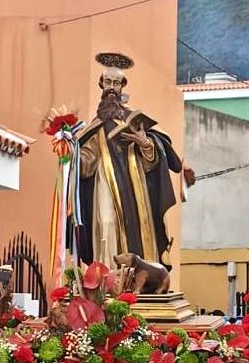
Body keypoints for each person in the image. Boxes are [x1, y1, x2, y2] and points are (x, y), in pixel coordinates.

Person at [78, 52, 183, 268]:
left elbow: (155, 162)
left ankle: (137, 278)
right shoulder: (96, 125)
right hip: (105, 185)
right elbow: (86, 162)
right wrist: (70, 154)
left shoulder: (134, 118)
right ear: (101, 84)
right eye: (107, 81)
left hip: (135, 192)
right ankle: (106, 279)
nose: (111, 87)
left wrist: (145, 143)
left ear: (122, 87)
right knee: (105, 224)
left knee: (138, 232)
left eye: (116, 83)